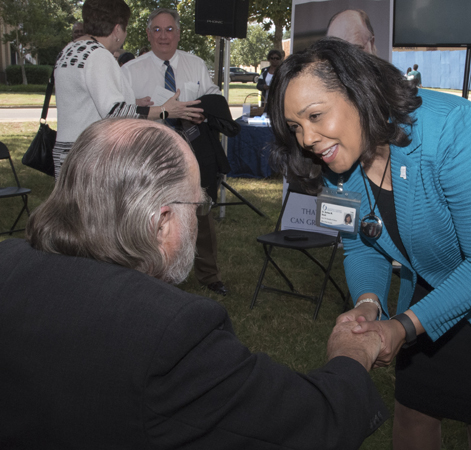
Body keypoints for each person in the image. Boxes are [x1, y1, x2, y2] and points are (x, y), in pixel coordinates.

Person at [0, 118, 389, 449]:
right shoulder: (169, 332)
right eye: (196, 204)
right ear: (161, 221)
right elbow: (314, 424)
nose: (198, 217)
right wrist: (351, 354)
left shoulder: (8, 263)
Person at [268, 38, 471, 450]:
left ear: (359, 92)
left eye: (316, 115)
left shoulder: (457, 131)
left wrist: (403, 325)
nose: (308, 139)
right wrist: (368, 304)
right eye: (296, 127)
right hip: (437, 267)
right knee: (413, 409)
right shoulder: (332, 164)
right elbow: (360, 246)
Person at [121, 8, 227, 296]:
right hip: (149, 153)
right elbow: (118, 113)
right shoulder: (130, 71)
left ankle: (209, 275)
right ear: (147, 34)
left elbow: (214, 95)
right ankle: (151, 271)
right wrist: (140, 106)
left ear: (178, 34)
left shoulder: (195, 64)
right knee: (149, 214)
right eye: (157, 29)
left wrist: (203, 107)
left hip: (192, 149)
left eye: (169, 30)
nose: (163, 36)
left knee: (199, 211)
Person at [53, 0, 200, 178]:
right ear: (117, 30)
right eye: (125, 28)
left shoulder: (71, 50)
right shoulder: (99, 55)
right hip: (90, 156)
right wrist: (164, 111)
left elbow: (85, 101)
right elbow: (115, 112)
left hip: (66, 153)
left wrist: (133, 101)